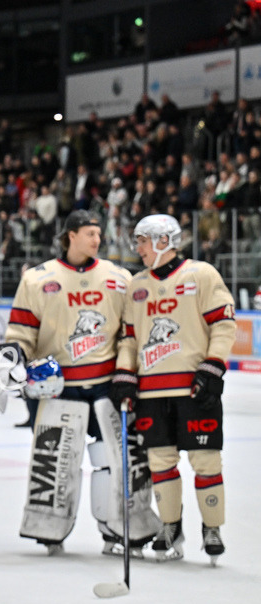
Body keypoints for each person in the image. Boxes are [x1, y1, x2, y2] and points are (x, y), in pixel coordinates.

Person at [1, 210, 159, 556]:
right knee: (55, 463)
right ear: (70, 235)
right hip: (57, 387)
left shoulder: (119, 277)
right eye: (89, 233)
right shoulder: (39, 279)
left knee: (111, 461)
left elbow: (129, 332)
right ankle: (49, 526)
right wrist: (14, 354)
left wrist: (126, 372)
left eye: (98, 233)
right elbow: (22, 330)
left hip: (106, 385)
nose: (97, 240)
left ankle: (113, 528)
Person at [110, 214, 235, 564]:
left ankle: (212, 528)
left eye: (143, 241)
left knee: (206, 459)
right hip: (151, 390)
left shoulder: (202, 274)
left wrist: (213, 366)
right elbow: (130, 339)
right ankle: (170, 526)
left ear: (164, 241)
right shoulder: (136, 286)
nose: (138, 248)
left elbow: (223, 324)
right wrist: (124, 374)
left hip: (194, 388)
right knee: (160, 461)